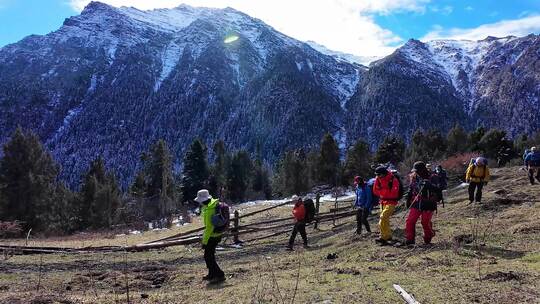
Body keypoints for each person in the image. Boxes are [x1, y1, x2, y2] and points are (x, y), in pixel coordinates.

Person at [405, 162, 441, 245]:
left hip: (429, 203)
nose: (415, 172)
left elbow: (438, 189)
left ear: (422, 170)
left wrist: (429, 185)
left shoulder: (433, 176)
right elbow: (411, 188)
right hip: (416, 202)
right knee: (410, 221)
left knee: (425, 222)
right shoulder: (414, 177)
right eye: (415, 170)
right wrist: (408, 199)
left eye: (417, 170)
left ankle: (428, 237)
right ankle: (410, 240)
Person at [196, 189, 225, 284]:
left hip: (212, 236)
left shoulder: (209, 209)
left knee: (208, 257)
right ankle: (212, 274)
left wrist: (204, 242)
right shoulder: (212, 205)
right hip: (217, 234)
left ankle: (219, 275)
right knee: (209, 255)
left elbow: (209, 228)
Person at [372, 166, 401, 245]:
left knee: (383, 217)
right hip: (382, 202)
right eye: (377, 175)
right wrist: (382, 194)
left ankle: (385, 237)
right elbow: (375, 190)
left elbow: (394, 193)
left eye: (379, 175)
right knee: (385, 220)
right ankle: (385, 237)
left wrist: (382, 192)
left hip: (391, 202)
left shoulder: (393, 179)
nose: (377, 176)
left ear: (384, 173)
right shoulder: (378, 179)